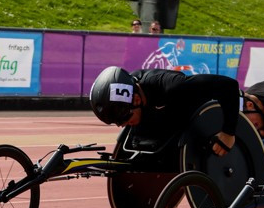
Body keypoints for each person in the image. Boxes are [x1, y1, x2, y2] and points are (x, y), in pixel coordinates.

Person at [88, 66, 240, 162]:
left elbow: (229, 86)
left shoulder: (174, 87)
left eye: (124, 118)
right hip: (170, 123)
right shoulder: (130, 90)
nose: (121, 125)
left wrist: (228, 132)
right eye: (117, 122)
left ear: (136, 99)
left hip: (206, 126)